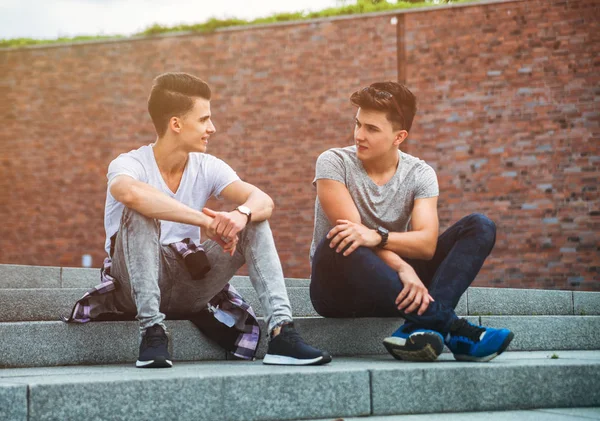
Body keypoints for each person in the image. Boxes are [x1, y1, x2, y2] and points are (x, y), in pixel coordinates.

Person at [65, 72, 330, 368]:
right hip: (135, 286)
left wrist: (238, 216)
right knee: (139, 210)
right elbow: (129, 193)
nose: (212, 128)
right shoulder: (129, 164)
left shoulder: (208, 166)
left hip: (190, 284)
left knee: (253, 219)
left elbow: (263, 201)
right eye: (204, 119)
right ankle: (152, 332)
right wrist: (206, 223)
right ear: (176, 124)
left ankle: (282, 333)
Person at [309, 82, 514, 362]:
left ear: (399, 136)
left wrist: (379, 238)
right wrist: (403, 268)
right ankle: (456, 330)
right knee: (340, 240)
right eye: (358, 124)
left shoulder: (420, 173)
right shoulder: (333, 162)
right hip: (339, 291)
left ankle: (417, 329)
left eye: (372, 129)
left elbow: (427, 244)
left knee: (480, 225)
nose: (359, 135)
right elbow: (353, 235)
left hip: (393, 289)